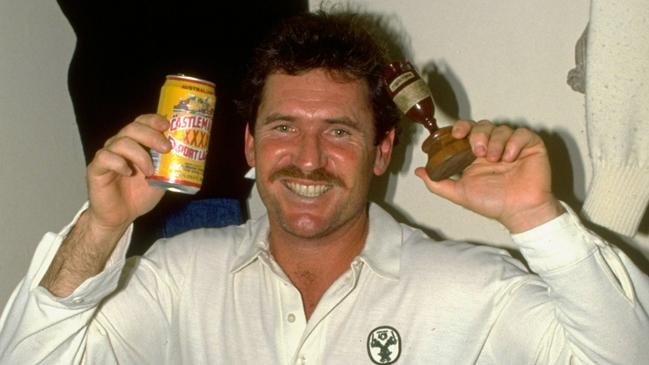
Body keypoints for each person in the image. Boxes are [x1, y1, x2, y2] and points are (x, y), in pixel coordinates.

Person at [1, 10, 648, 365]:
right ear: (249, 145)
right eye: (283, 126)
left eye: (339, 131)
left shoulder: (472, 288)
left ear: (382, 151)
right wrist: (99, 228)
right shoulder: (180, 275)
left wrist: (539, 218)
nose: (307, 158)